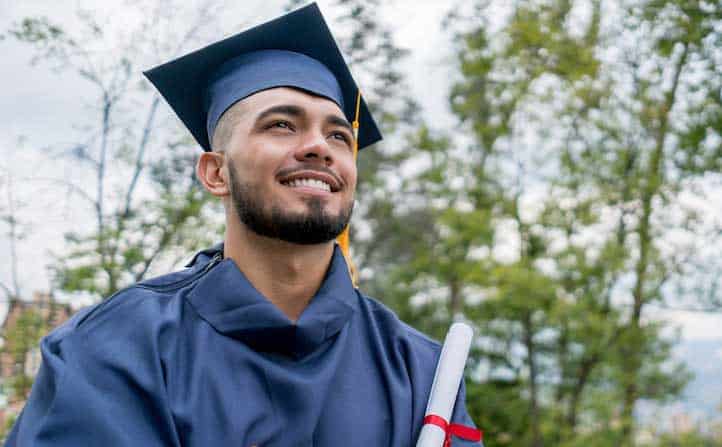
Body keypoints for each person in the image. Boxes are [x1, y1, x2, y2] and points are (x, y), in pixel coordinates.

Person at [6, 4, 482, 446]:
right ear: (216, 173)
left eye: (339, 134)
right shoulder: (116, 350)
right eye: (281, 125)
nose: (320, 146)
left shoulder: (422, 370)